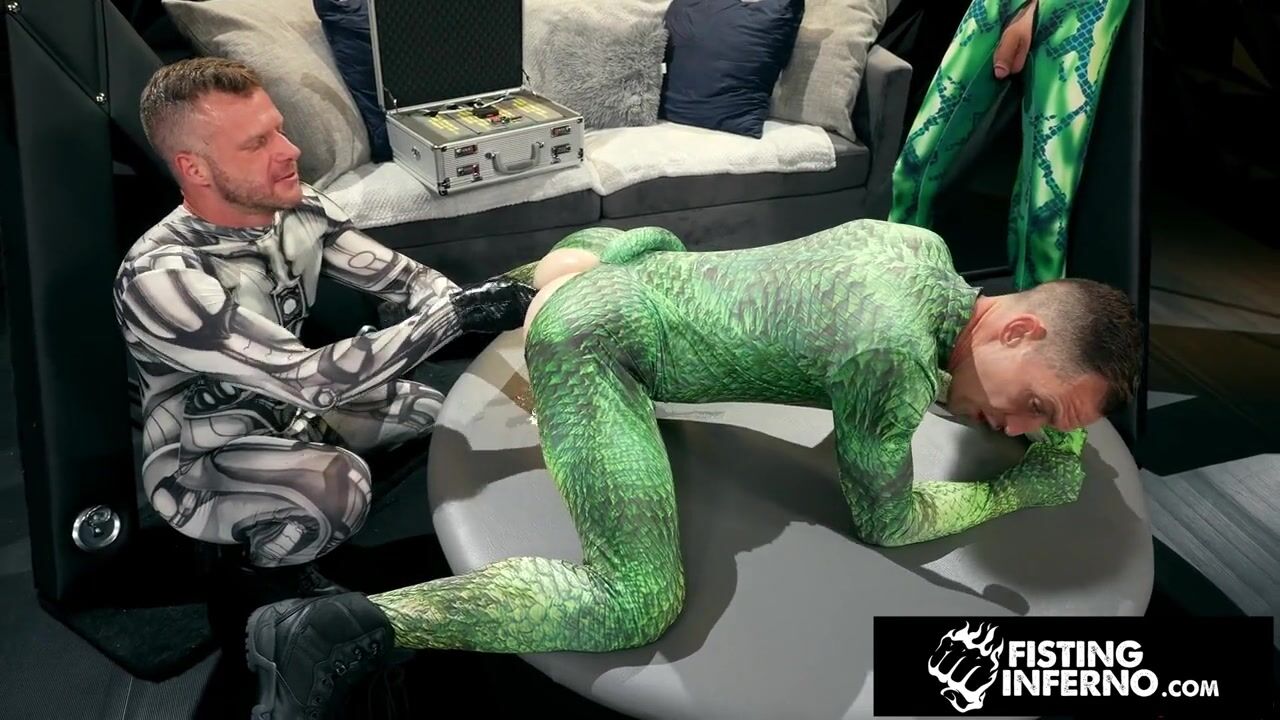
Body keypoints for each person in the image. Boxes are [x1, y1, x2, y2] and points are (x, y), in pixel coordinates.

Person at [240, 219, 1143, 719]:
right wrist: (1016, 487)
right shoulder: (892, 358)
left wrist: (1051, 423)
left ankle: (518, 288)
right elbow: (888, 518)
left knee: (651, 254)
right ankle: (338, 628)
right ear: (1017, 327)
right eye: (1036, 406)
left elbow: (944, 368)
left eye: (1039, 424)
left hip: (630, 256)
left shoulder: (919, 249)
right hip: (596, 346)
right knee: (635, 598)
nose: (1018, 427)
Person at [112, 57, 534, 607]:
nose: (289, 150)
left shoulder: (297, 207)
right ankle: (263, 578)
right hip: (201, 460)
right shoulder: (161, 278)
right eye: (257, 144)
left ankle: (328, 499)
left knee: (434, 410)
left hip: (294, 414)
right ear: (195, 169)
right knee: (341, 487)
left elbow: (410, 282)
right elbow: (308, 380)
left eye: (279, 130)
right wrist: (457, 314)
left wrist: (457, 302)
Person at [890, 0, 1133, 290]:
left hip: (1088, 8)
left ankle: (1033, 314)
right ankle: (897, 291)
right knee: (911, 173)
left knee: (1044, 220)